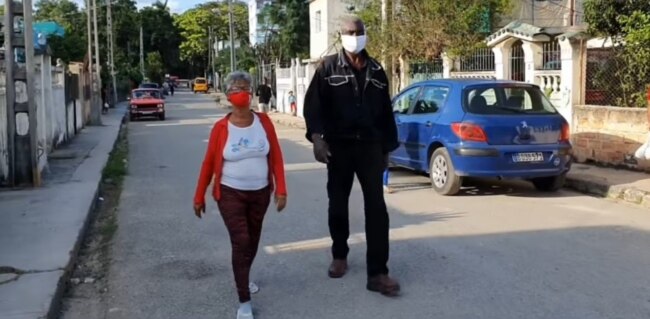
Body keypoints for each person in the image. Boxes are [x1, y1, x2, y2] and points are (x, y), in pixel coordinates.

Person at [303, 15, 400, 297]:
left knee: (377, 210)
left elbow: (385, 113)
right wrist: (318, 139)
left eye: (358, 31)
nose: (354, 36)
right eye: (349, 32)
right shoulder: (327, 68)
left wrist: (386, 150)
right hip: (339, 147)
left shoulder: (377, 70)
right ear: (341, 35)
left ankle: (378, 273)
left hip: (370, 146)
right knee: (338, 204)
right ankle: (340, 254)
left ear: (365, 34)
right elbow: (313, 107)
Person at [193, 71, 288, 319]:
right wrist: (199, 196)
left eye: (244, 88)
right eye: (235, 88)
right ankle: (243, 299)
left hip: (260, 194)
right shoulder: (220, 128)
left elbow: (276, 156)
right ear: (227, 95)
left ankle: (243, 275)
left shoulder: (264, 122)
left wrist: (281, 189)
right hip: (229, 193)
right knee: (241, 241)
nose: (240, 92)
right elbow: (207, 164)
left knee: (253, 240)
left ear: (252, 92)